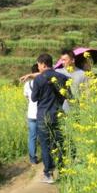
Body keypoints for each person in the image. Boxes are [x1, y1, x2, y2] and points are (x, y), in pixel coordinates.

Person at [30, 53, 71, 184]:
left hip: (43, 116)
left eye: (38, 65)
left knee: (45, 145)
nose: (38, 67)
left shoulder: (38, 79)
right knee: (60, 143)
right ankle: (63, 172)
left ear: (43, 64)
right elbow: (69, 95)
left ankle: (49, 174)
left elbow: (33, 98)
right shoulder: (62, 77)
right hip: (58, 115)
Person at [23, 63, 40, 164]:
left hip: (31, 113)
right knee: (43, 136)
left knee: (32, 137)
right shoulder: (42, 81)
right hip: (41, 113)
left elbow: (27, 97)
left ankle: (33, 158)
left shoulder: (27, 84)